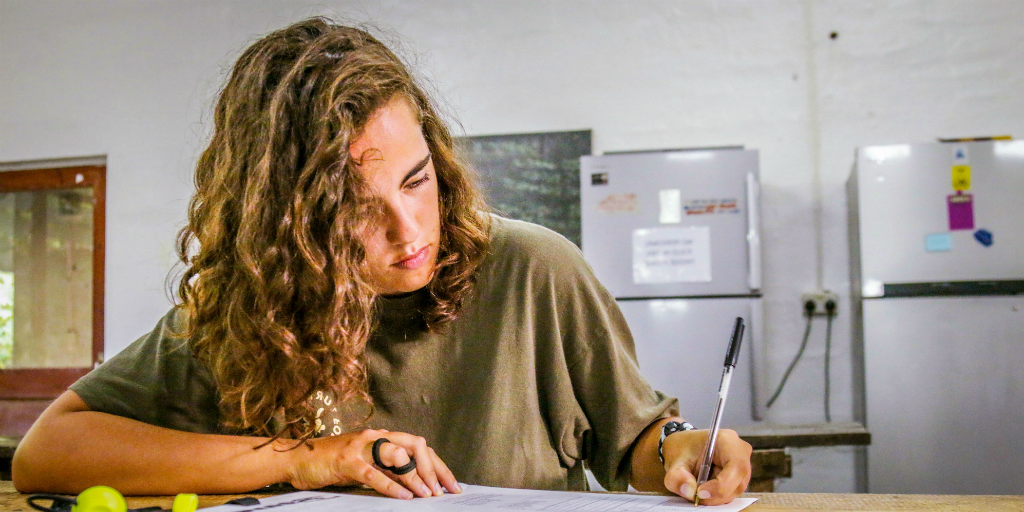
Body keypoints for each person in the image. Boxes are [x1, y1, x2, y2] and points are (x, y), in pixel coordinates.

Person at [12, 17, 751, 504]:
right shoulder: (248, 312)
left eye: (417, 180)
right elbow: (49, 454)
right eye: (358, 209)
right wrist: (308, 457)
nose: (410, 230)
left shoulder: (536, 271)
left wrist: (682, 448)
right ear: (285, 225)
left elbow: (642, 445)